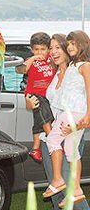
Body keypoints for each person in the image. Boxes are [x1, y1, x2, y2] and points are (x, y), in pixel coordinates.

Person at [26, 33, 90, 209]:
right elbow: (40, 100)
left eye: (58, 48)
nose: (53, 52)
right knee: (56, 190)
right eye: (51, 48)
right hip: (49, 136)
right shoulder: (53, 73)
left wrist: (80, 124)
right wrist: (29, 102)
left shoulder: (77, 70)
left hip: (67, 132)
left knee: (69, 188)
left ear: (68, 49)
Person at [16, 32, 56, 162]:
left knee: (39, 121)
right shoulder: (30, 61)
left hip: (49, 95)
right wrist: (32, 59)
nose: (39, 52)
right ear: (32, 50)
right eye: (36, 49)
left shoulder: (51, 59)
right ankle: (51, 138)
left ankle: (35, 149)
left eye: (43, 49)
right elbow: (20, 70)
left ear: (48, 49)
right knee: (44, 115)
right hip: (34, 93)